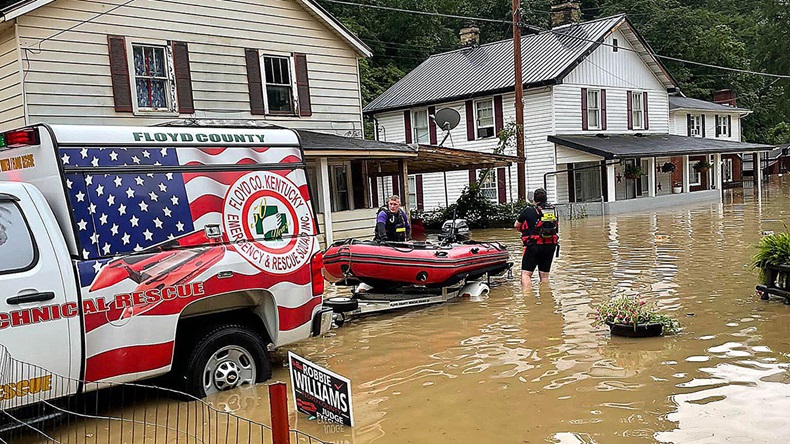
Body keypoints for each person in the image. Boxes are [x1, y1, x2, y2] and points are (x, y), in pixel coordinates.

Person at [514, 188, 559, 289]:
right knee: (544, 276)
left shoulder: (528, 211)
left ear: (534, 199)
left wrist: (523, 232)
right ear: (546, 199)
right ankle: (545, 298)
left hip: (533, 245)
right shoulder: (553, 210)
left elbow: (516, 225)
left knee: (526, 274)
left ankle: (528, 299)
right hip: (550, 245)